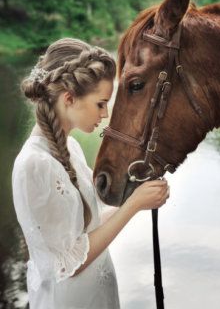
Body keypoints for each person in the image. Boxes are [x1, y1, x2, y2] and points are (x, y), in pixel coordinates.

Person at [12, 38, 169, 309]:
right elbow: (69, 263)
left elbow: (87, 229)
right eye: (100, 103)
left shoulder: (69, 147)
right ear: (69, 99)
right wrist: (133, 205)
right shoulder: (34, 165)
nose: (105, 113)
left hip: (96, 294)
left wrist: (140, 198)